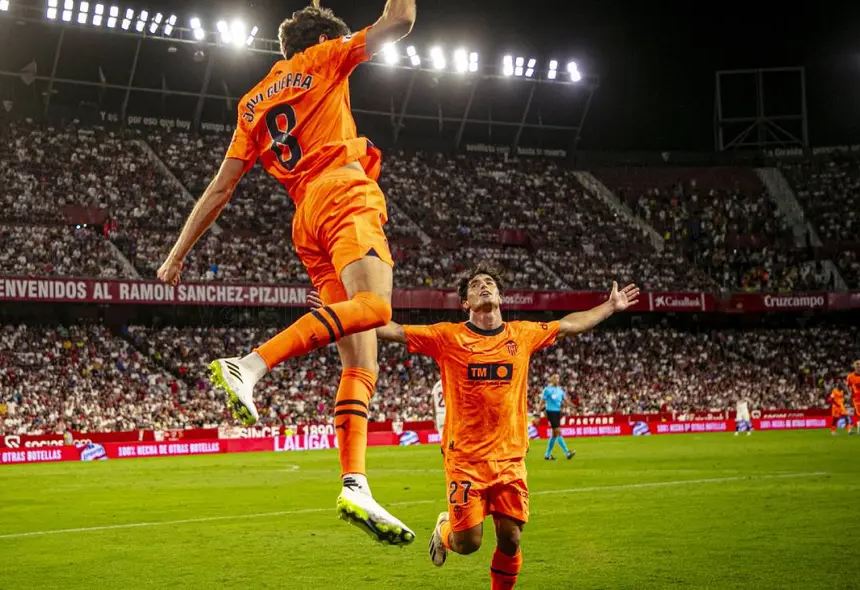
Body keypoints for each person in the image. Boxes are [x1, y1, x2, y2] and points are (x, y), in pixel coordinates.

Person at [155, 0, 417, 545]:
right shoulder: (324, 58)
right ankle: (249, 366)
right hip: (344, 193)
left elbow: (221, 189)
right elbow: (399, 22)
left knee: (362, 359)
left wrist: (177, 254)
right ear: (320, 38)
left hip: (305, 219)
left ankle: (355, 483)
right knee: (377, 308)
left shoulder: (251, 104)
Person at [371, 264, 639, 589]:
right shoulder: (448, 337)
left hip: (510, 459)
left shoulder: (522, 335)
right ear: (465, 303)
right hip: (466, 462)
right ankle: (444, 530)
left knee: (511, 538)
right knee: (468, 544)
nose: (483, 285)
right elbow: (396, 331)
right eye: (475, 284)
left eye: (489, 283)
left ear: (499, 295)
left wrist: (610, 306)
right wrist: (340, 319)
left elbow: (568, 325)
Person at [541, 374, 576, 460]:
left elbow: (566, 400)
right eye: (555, 378)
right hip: (550, 412)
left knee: (554, 435)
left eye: (558, 378)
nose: (557, 380)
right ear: (552, 380)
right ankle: (567, 452)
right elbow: (542, 401)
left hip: (557, 413)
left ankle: (547, 455)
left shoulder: (560, 390)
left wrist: (573, 406)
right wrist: (538, 411)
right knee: (558, 432)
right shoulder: (547, 390)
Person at [848, 361, 860, 435]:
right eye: (857, 364)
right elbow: (849, 388)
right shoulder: (850, 376)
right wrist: (851, 397)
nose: (859, 366)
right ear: (854, 366)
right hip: (856, 399)